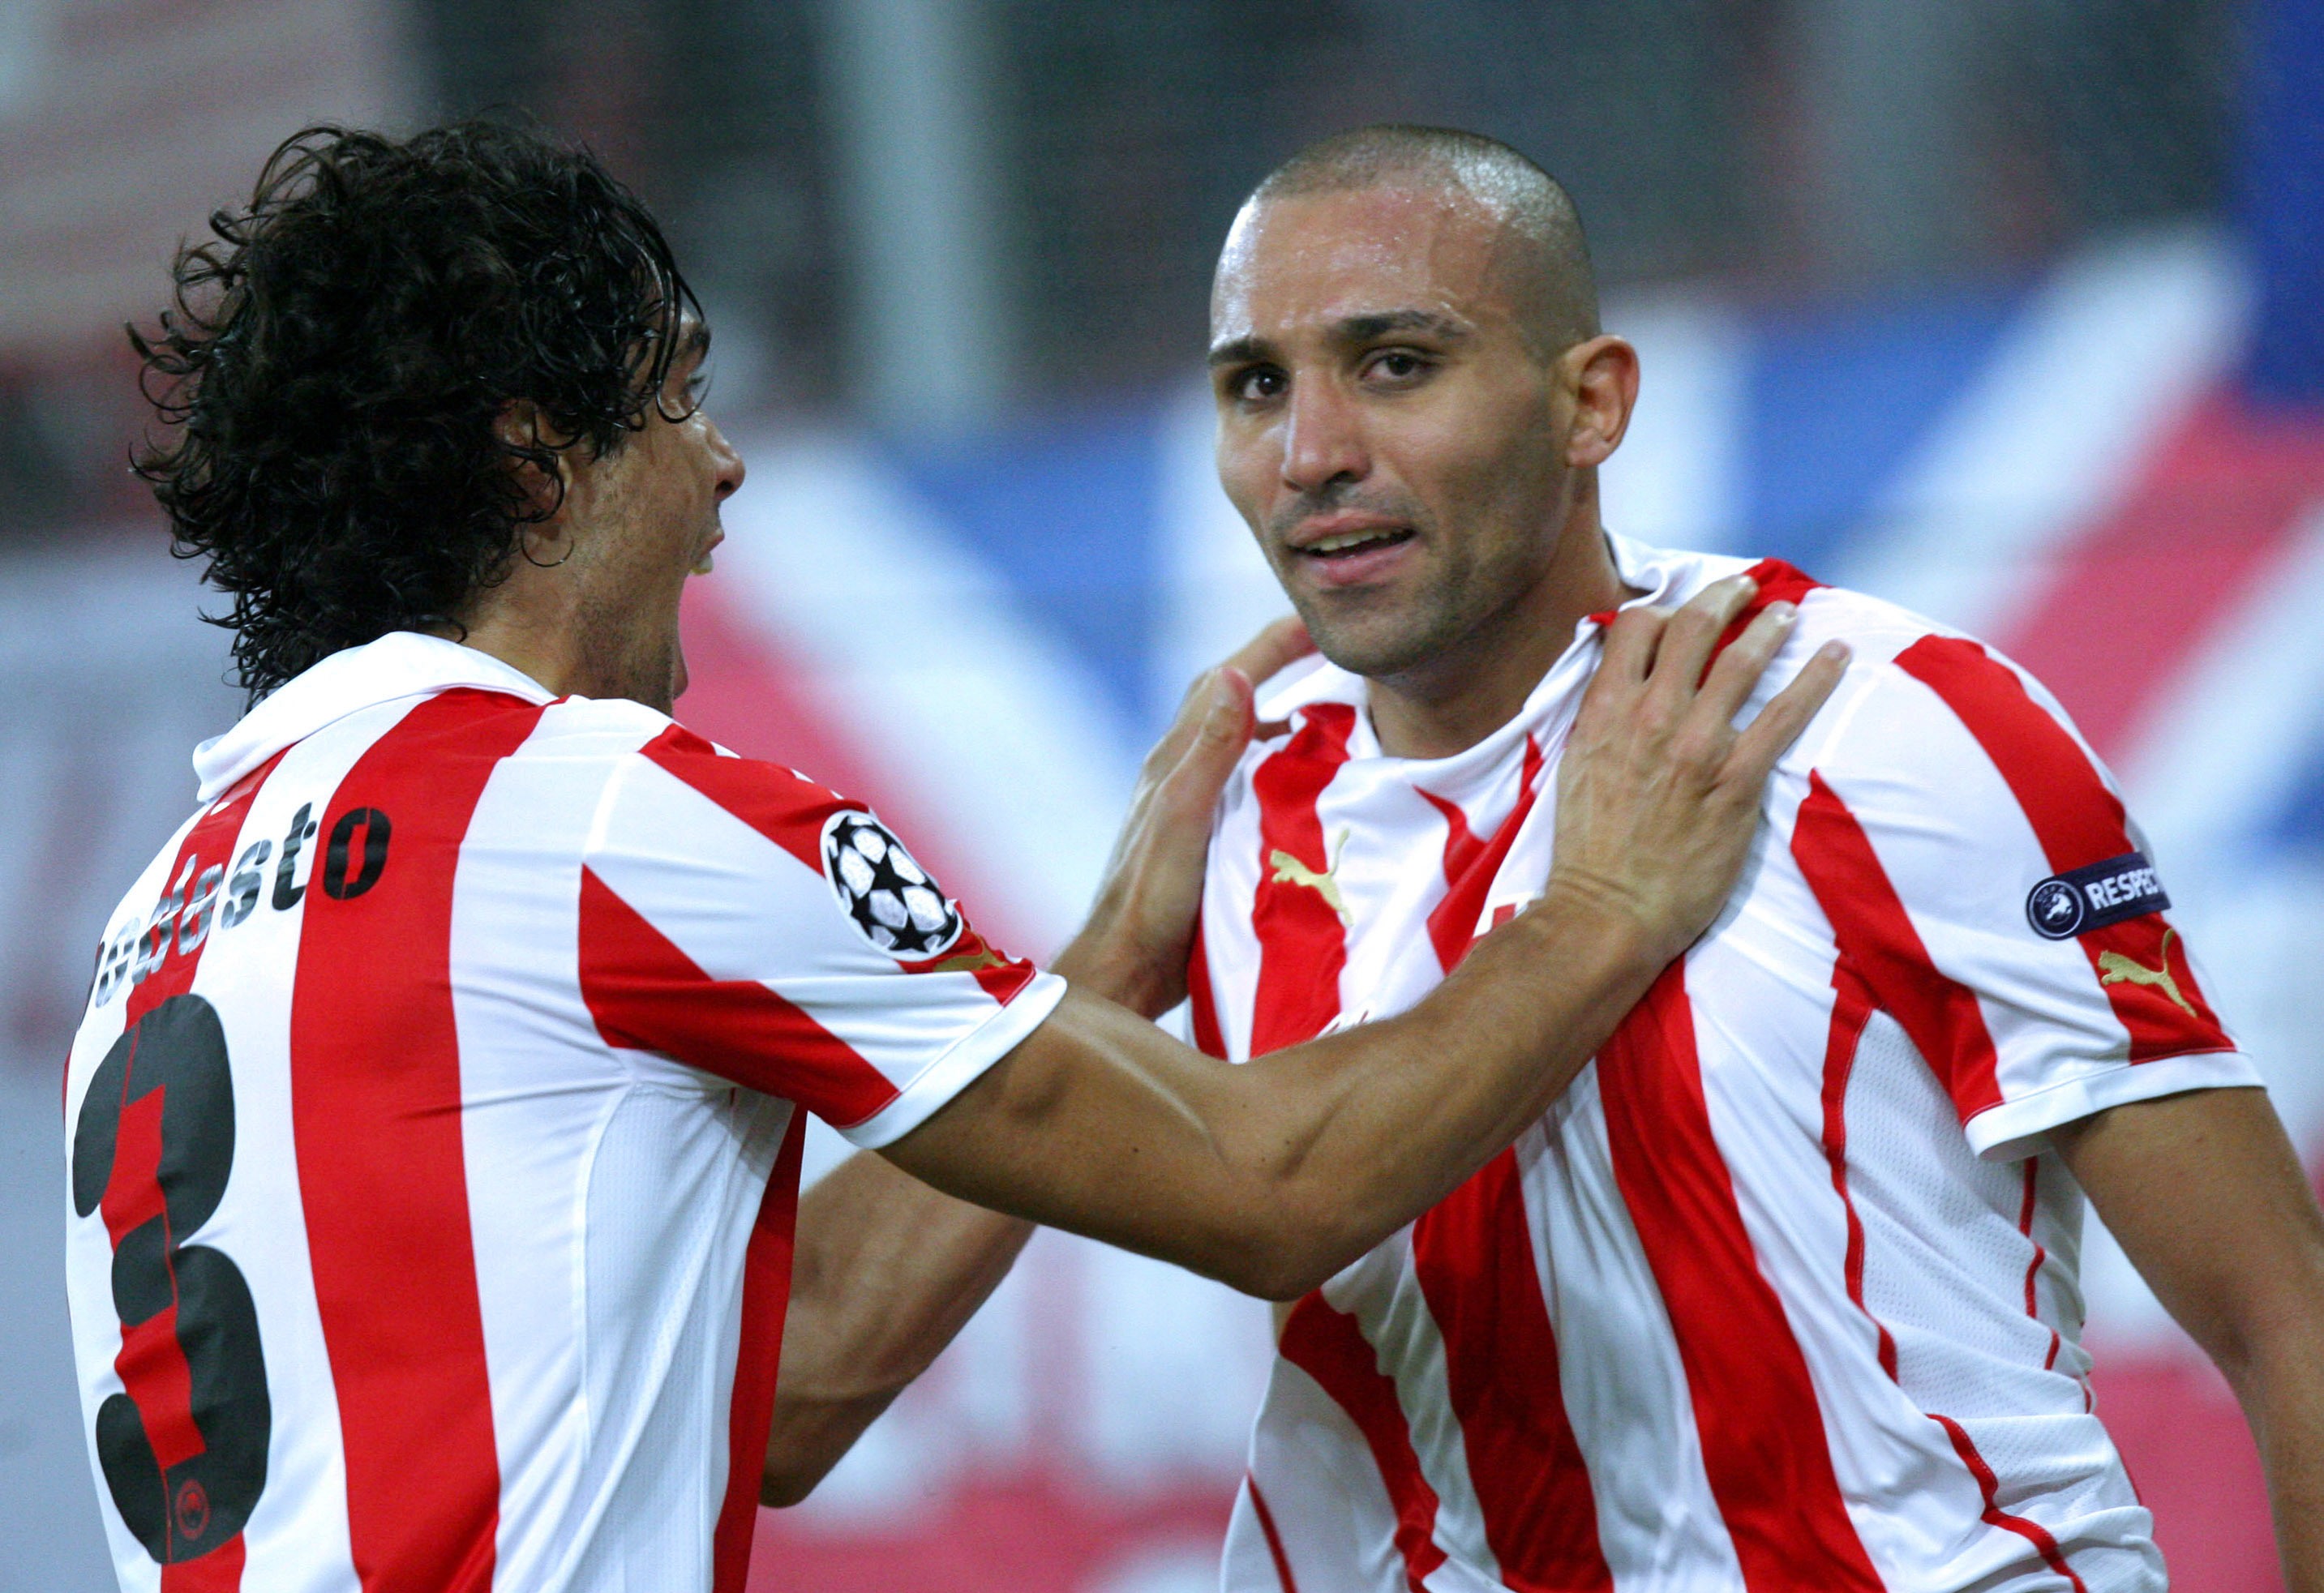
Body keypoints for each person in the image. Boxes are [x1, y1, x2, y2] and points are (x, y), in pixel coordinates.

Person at [59, 122, 1837, 1593]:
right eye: (677, 403)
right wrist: (1600, 903)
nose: (725, 467)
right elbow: (1272, 1185)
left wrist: (1109, 964)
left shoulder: (168, 913)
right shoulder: (599, 813)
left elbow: (784, 1385)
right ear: (538, 470)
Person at [1182, 126, 2324, 1591]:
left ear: (1588, 401)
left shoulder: (1884, 723)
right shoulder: (1228, 817)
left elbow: (2278, 1311)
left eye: (1395, 362)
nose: (1310, 454)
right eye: (1253, 384)